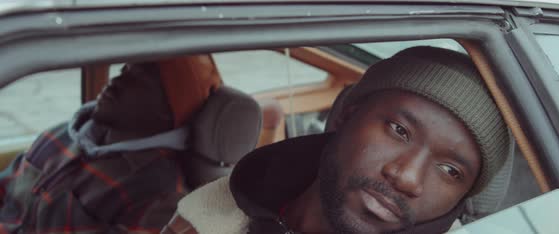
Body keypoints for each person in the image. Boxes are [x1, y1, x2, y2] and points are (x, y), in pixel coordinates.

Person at [162, 46, 511, 234]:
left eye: (451, 171)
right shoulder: (212, 211)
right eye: (399, 131)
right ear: (346, 114)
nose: (407, 177)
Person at [0, 56, 221, 233]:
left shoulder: (160, 197)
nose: (115, 81)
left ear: (169, 109)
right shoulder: (59, 135)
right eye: (124, 70)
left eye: (137, 78)